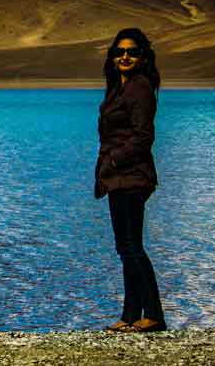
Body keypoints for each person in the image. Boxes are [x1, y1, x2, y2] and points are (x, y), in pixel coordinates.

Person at [94, 27, 167, 333]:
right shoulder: (119, 87)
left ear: (143, 57)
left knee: (131, 247)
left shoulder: (140, 88)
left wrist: (112, 161)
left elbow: (143, 137)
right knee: (126, 247)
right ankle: (130, 316)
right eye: (119, 52)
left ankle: (153, 315)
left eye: (132, 52)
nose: (125, 56)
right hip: (119, 178)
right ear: (112, 57)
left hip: (131, 177)